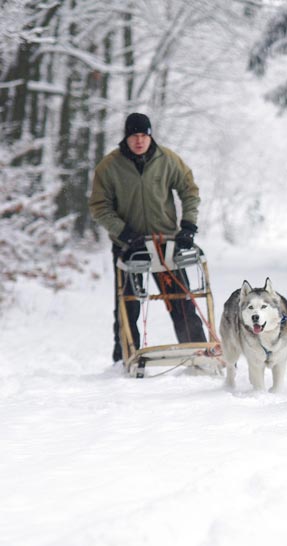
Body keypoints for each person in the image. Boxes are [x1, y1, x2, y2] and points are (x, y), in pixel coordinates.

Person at [89, 112, 207, 362]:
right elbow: (99, 206)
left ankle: (197, 351)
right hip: (129, 246)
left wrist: (188, 225)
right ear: (126, 137)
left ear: (150, 136)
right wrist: (124, 232)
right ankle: (125, 357)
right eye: (134, 136)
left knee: (180, 301)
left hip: (165, 244)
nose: (139, 141)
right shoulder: (110, 166)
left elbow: (189, 190)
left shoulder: (167, 160)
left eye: (144, 135)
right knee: (127, 303)